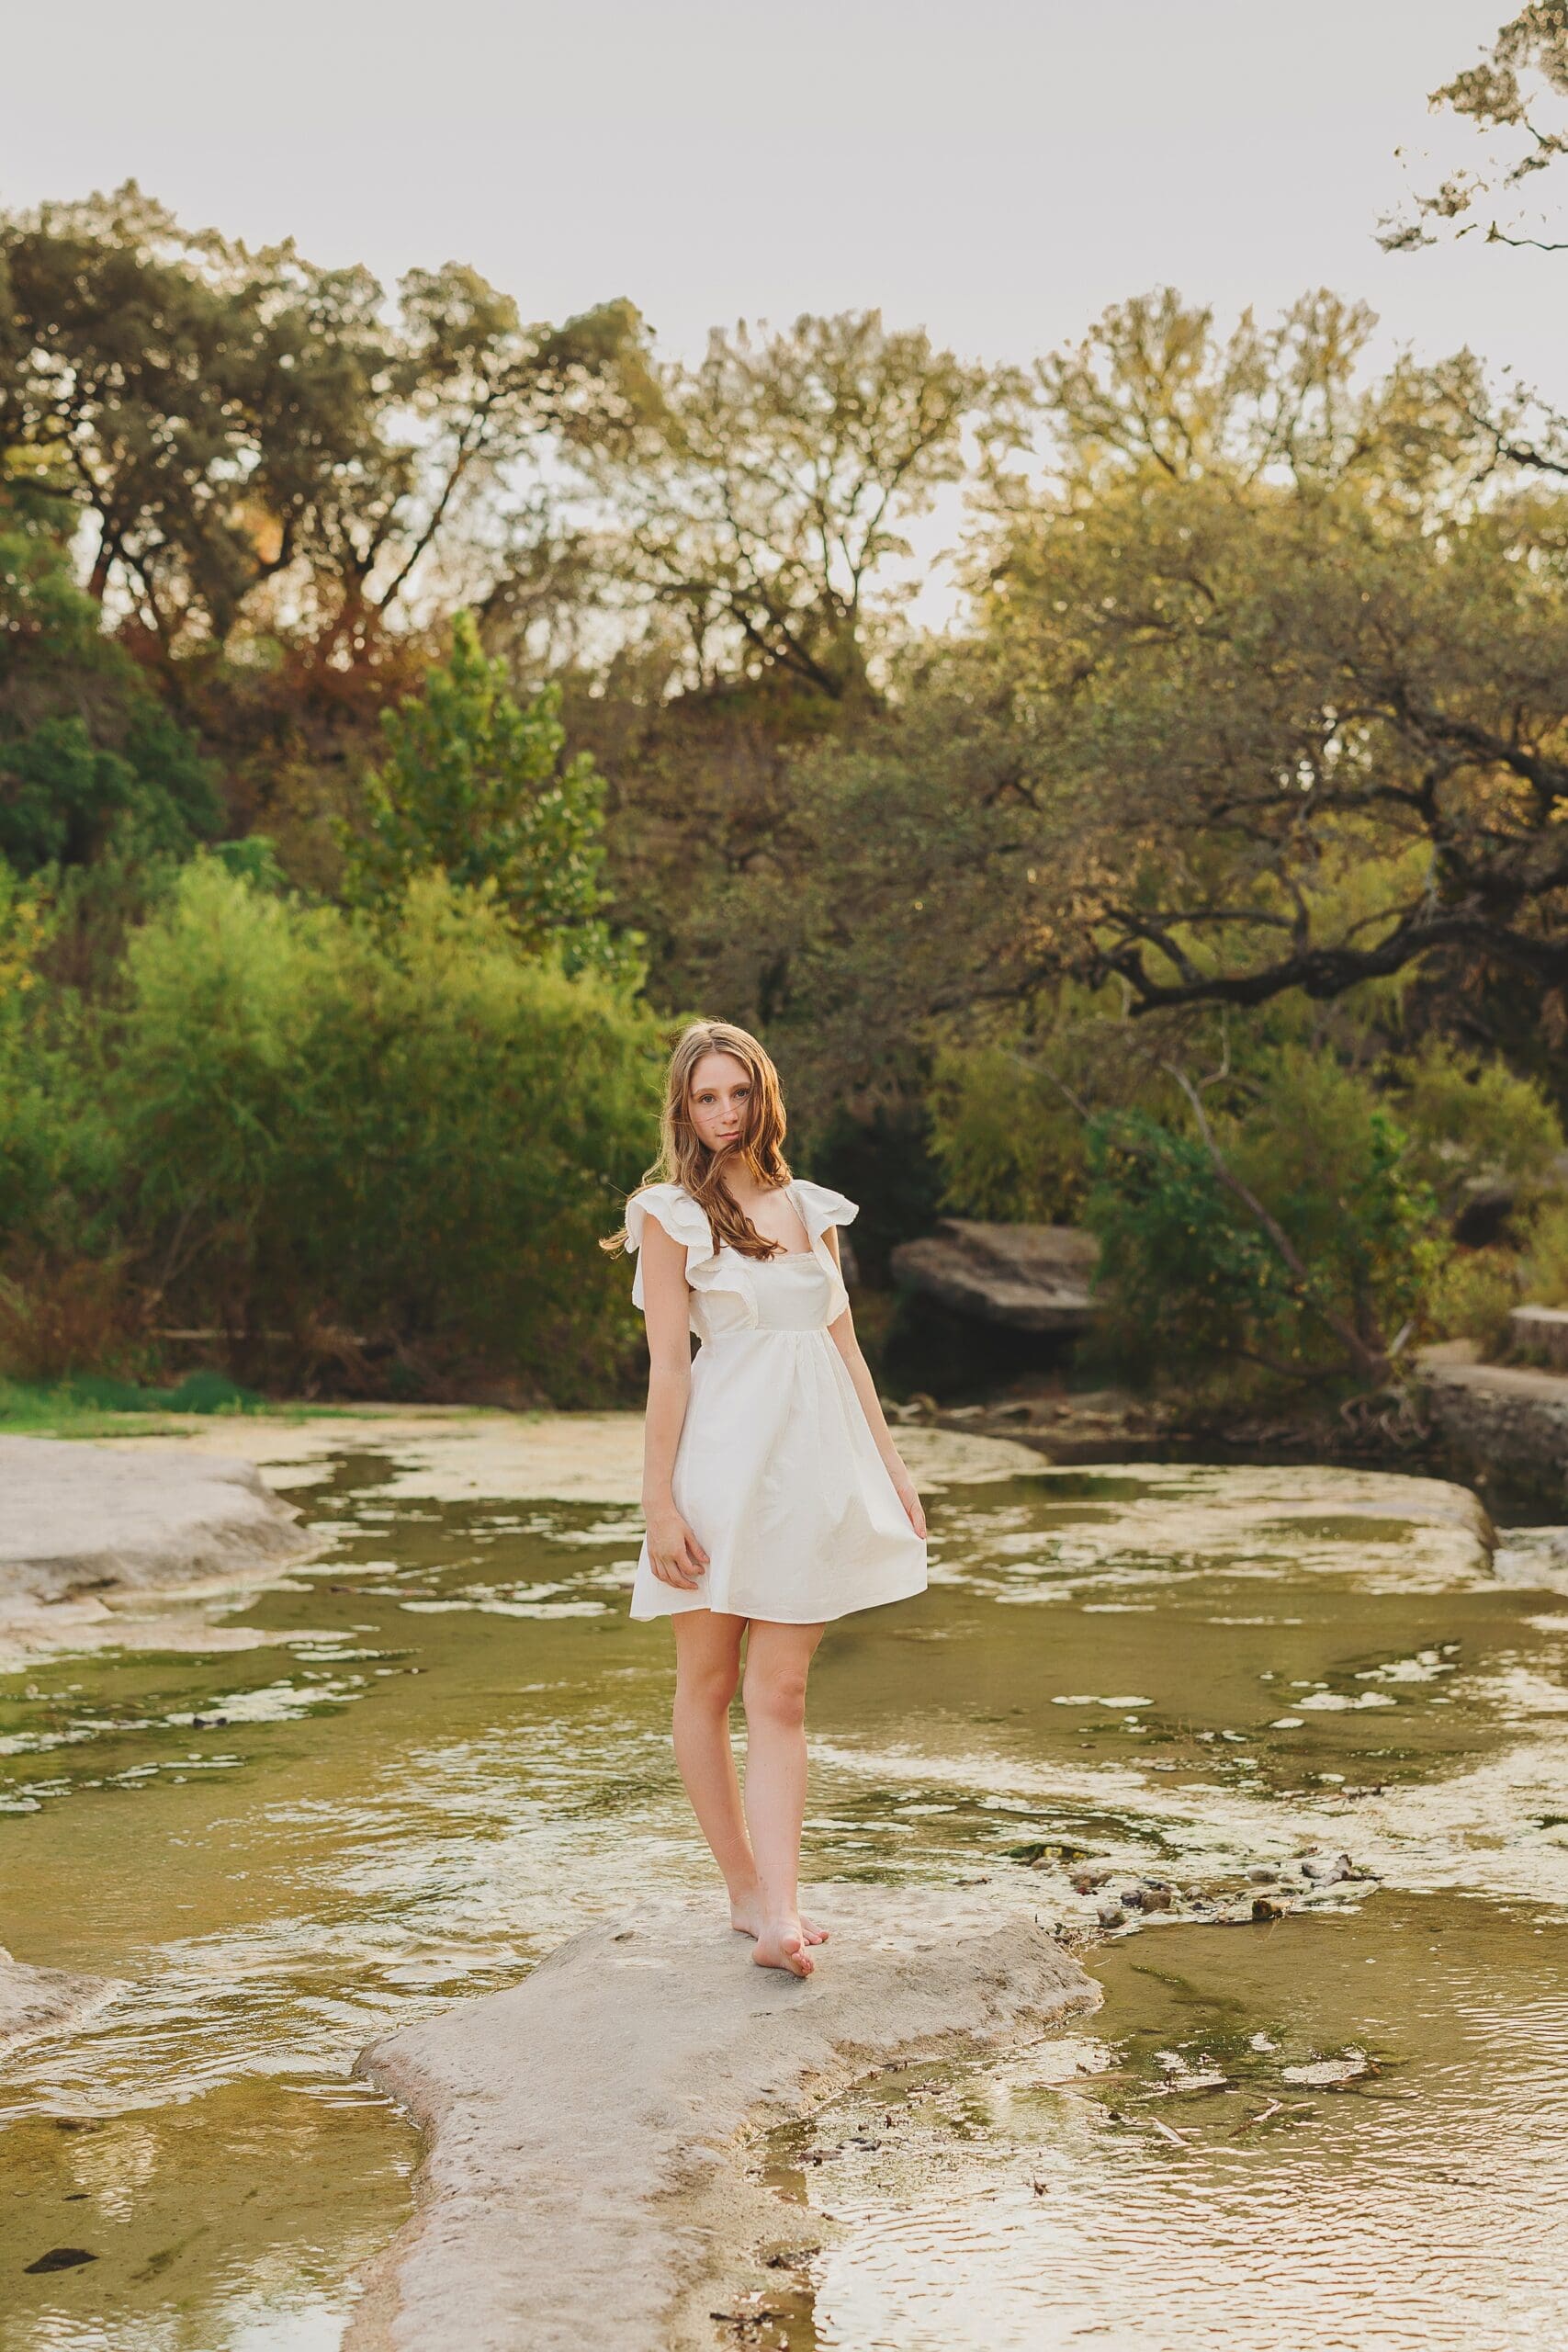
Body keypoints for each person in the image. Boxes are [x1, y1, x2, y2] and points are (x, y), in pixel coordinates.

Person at [600, 1019, 928, 1978]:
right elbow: (669, 1368)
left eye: (738, 1093)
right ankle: (746, 1893)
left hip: (807, 1480)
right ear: (683, 1107)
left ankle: (783, 1912)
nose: (725, 1114)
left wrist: (893, 1471)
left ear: (764, 1095)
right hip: (717, 1474)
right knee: (706, 1685)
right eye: (706, 1097)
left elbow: (845, 1349)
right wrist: (658, 1507)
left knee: (780, 1690)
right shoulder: (668, 1215)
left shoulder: (811, 1207)